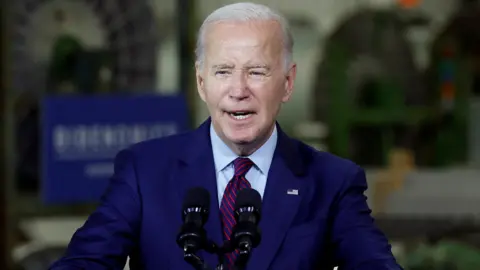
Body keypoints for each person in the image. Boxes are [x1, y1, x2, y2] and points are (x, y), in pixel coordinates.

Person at [50, 2, 402, 270]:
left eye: (256, 72)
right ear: (201, 83)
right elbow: (85, 262)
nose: (238, 90)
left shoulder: (332, 182)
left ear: (288, 83)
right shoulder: (144, 171)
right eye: (223, 72)